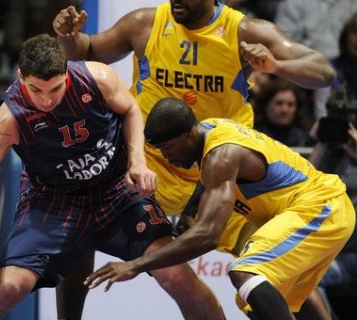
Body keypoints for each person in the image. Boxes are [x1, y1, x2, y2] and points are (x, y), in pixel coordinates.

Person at [53, 1, 335, 317]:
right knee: (80, 218)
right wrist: (68, 37)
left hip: (216, 172)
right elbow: (87, 48)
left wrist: (277, 67)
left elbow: (322, 71)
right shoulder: (145, 23)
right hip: (148, 163)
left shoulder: (243, 31)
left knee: (266, 265)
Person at [0, 34, 225, 320]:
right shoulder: (9, 118)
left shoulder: (98, 79)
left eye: (55, 89)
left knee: (176, 274)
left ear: (67, 73)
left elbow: (131, 109)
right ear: (21, 77)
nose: (46, 100)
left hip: (116, 191)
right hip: (53, 203)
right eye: (36, 90)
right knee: (10, 286)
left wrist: (137, 161)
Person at [84, 97, 355, 320]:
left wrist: (135, 264)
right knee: (277, 295)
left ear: (187, 133)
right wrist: (191, 208)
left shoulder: (220, 156)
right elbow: (207, 182)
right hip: (318, 207)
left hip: (320, 206)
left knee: (247, 272)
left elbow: (208, 235)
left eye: (167, 147)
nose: (166, 156)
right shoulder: (210, 129)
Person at [254, 77, 313, 147]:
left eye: (290, 104)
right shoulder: (252, 137)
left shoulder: (305, 139)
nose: (284, 110)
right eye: (279, 103)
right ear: (265, 105)